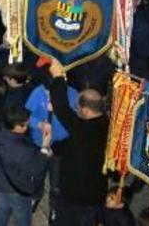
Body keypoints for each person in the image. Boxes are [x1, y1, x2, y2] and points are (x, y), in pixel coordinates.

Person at [47, 59, 110, 226]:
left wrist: (58, 77)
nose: (76, 111)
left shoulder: (82, 128)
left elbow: (61, 107)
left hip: (74, 197)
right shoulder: (108, 125)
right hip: (96, 195)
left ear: (86, 110)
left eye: (78, 108)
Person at [0, 105, 51, 226]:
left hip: (1, 182)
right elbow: (37, 169)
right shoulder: (20, 150)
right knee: (23, 217)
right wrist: (44, 148)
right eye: (26, 124)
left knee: (2, 211)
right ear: (17, 127)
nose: (28, 126)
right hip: (17, 188)